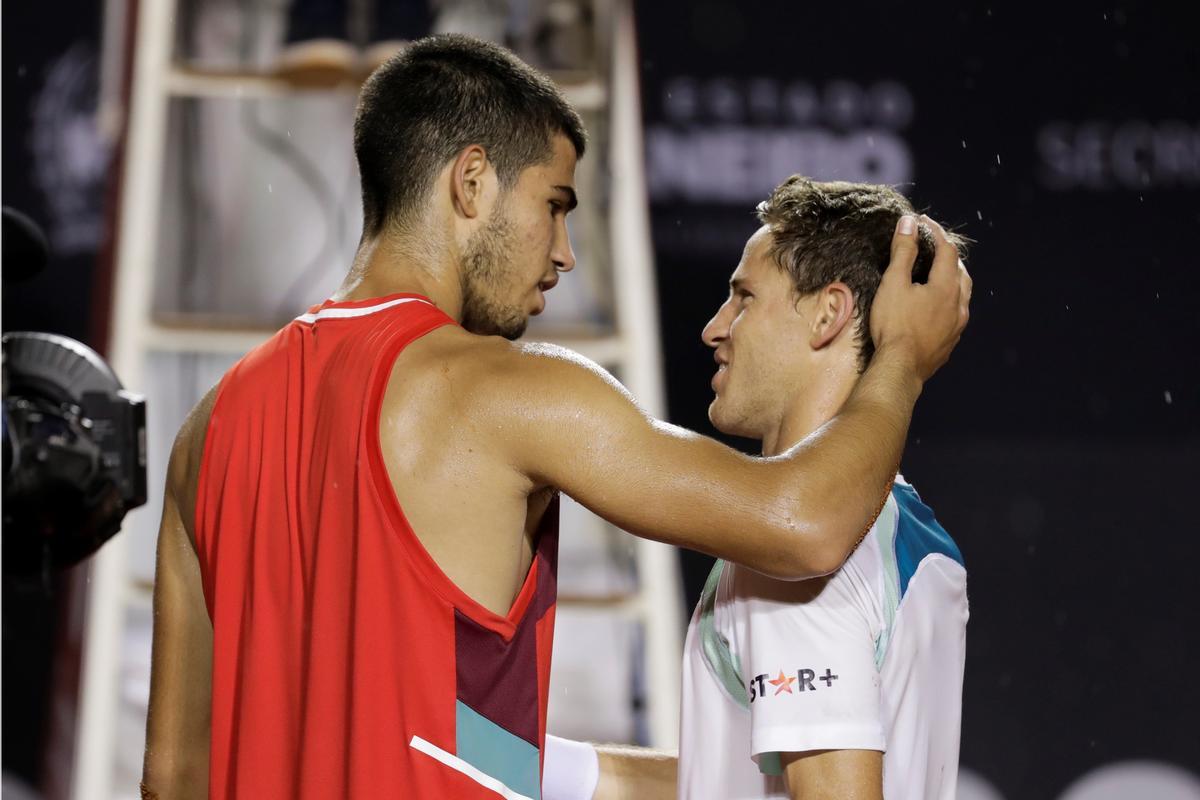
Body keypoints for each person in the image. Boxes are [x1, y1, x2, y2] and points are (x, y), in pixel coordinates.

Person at [141, 35, 970, 800]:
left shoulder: (204, 433)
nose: (565, 251)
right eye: (556, 204)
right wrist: (899, 359)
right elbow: (802, 527)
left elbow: (174, 777)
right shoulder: (510, 393)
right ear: (471, 183)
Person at [542, 177, 970, 800]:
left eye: (743, 298)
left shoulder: (790, 561)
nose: (715, 329)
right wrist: (493, 755)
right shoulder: (912, 531)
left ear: (830, 312)